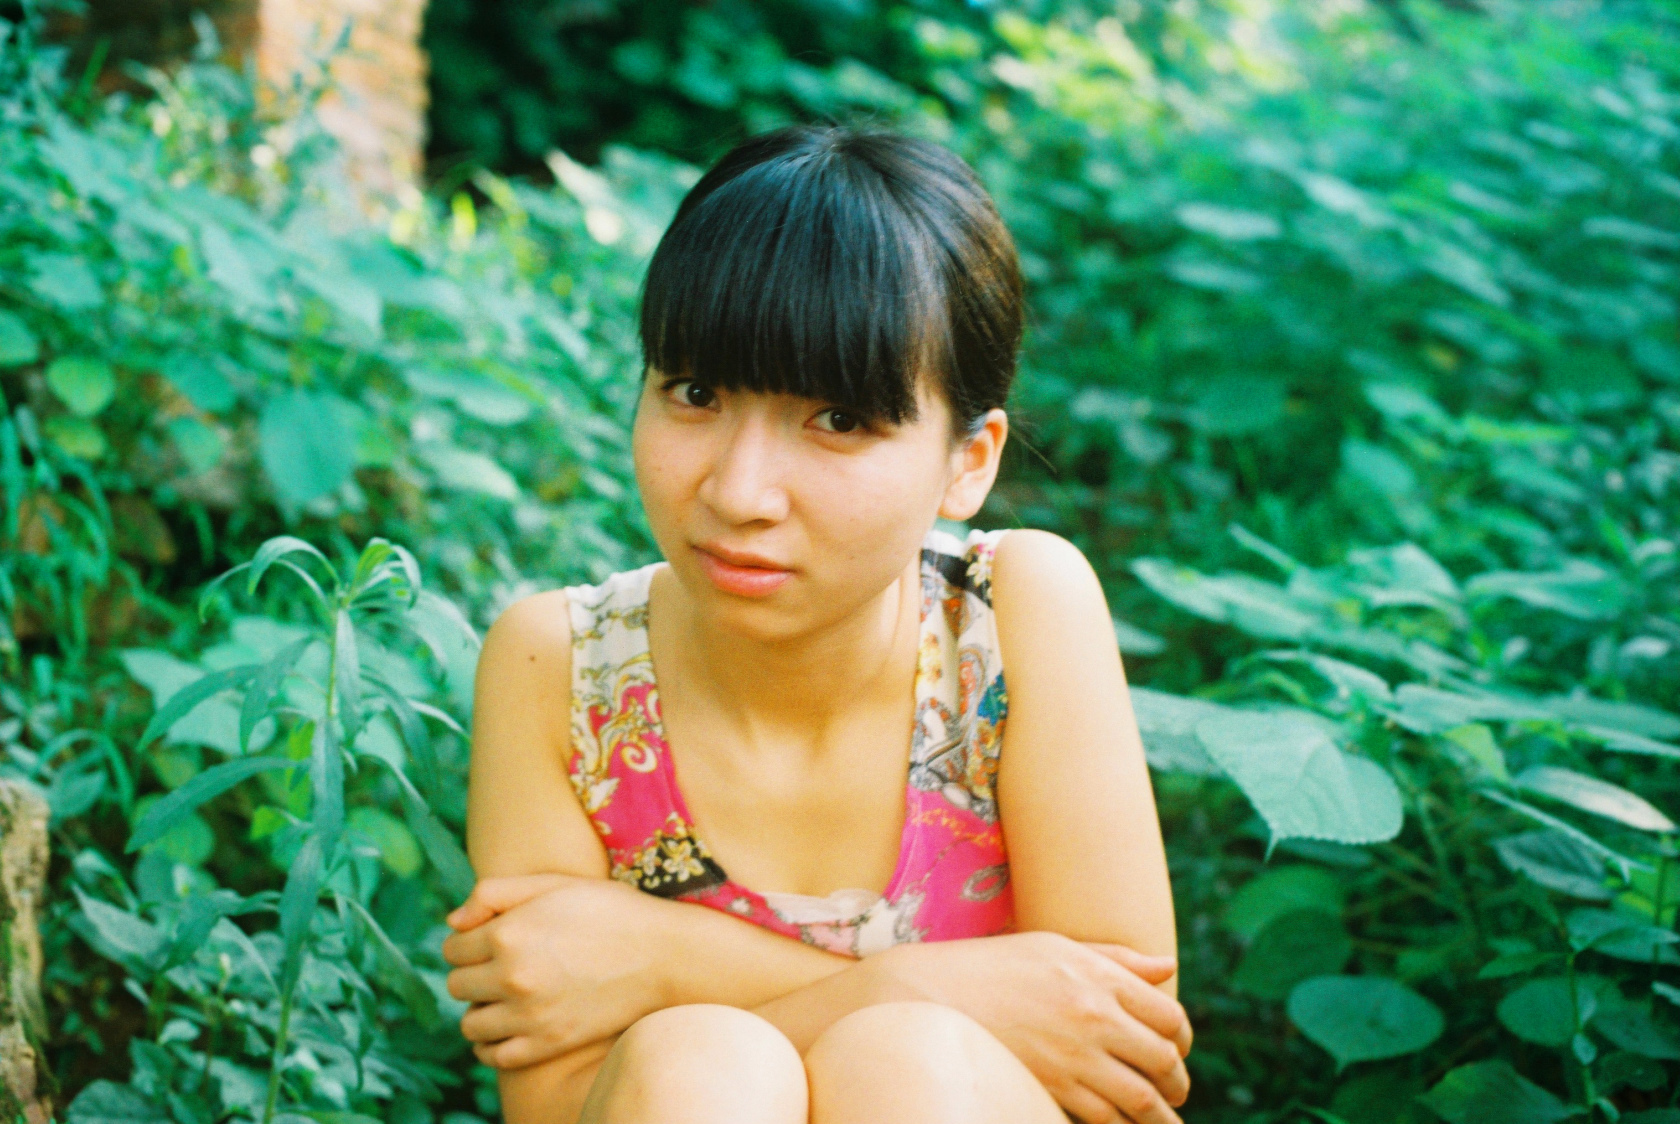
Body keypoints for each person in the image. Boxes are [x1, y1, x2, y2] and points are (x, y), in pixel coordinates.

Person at [437, 124, 1191, 1124]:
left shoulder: (1011, 616)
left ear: (968, 462)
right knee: (697, 1061)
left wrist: (671, 959)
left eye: (838, 419)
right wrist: (933, 989)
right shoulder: (560, 668)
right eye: (695, 393)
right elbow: (558, 1097)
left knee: (904, 1059)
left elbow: (1116, 1049)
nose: (738, 492)